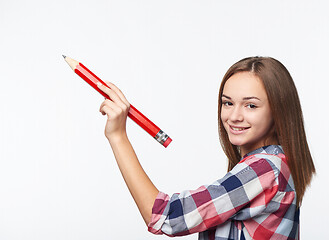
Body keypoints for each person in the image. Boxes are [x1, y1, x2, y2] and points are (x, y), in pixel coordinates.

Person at [97, 56, 316, 239]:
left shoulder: (264, 170)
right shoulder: (277, 164)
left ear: (278, 111)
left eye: (251, 105)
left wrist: (118, 136)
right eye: (228, 103)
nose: (234, 116)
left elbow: (165, 216)